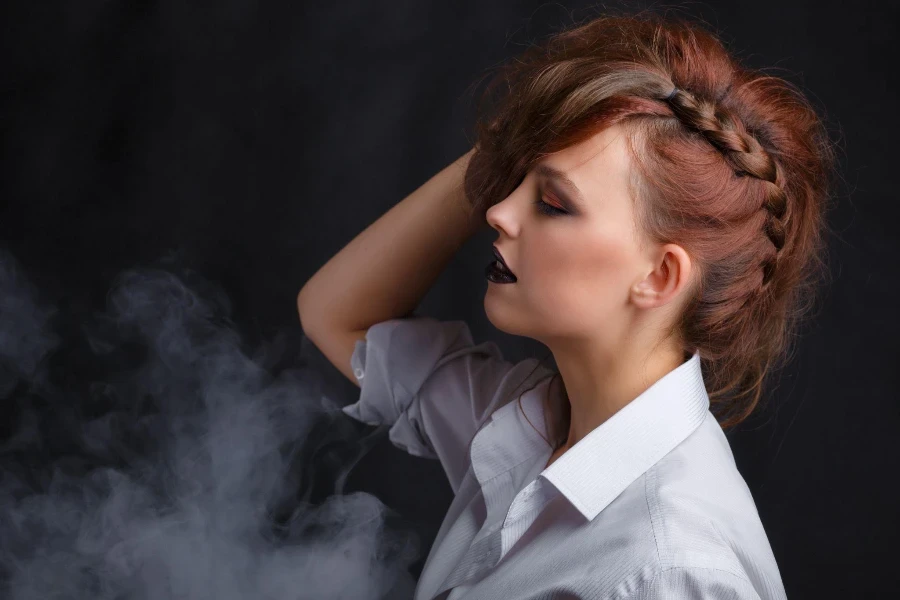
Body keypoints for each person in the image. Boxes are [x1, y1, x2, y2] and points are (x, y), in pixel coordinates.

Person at [298, 9, 836, 600]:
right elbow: (337, 315)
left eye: (552, 204)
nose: (496, 211)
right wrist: (517, 142)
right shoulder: (518, 425)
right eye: (512, 181)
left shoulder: (672, 570)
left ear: (659, 277)